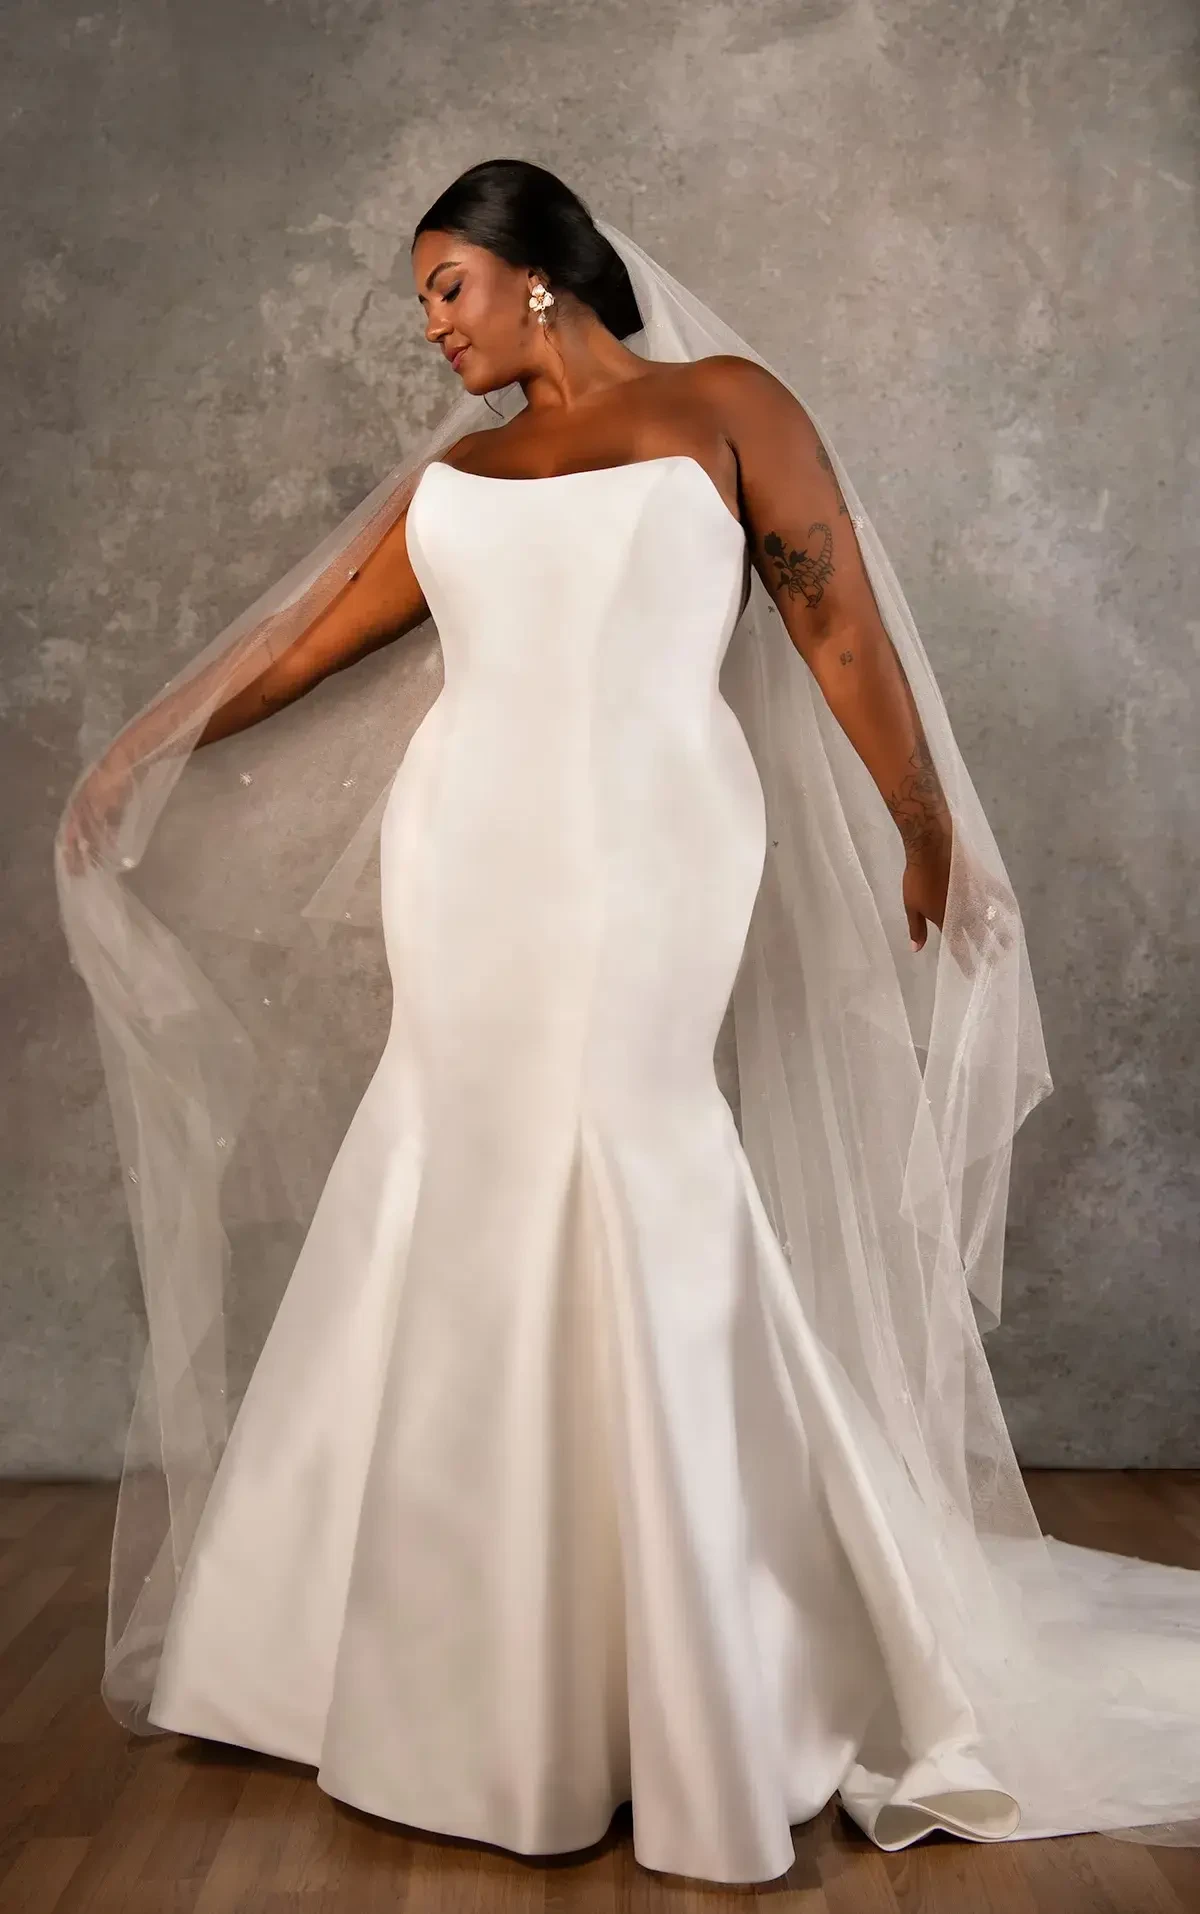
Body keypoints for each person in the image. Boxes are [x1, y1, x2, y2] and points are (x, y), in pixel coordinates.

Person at [55, 159, 1200, 1885]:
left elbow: (833, 615)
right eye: (422, 299)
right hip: (464, 860)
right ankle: (407, 1651)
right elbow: (302, 653)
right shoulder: (457, 478)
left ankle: (706, 1644)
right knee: (457, 1152)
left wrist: (926, 819)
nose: (429, 326)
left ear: (534, 275)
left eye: (446, 286)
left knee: (635, 1148)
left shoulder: (726, 407)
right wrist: (149, 743)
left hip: (659, 842)